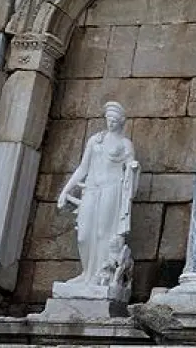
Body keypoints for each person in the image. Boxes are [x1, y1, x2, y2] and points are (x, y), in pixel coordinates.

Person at [57, 101, 139, 287]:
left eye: (114, 120)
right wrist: (66, 190)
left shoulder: (125, 144)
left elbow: (131, 170)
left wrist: (133, 169)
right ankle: (87, 273)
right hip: (92, 189)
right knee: (84, 234)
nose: (110, 123)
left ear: (121, 121)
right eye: (108, 119)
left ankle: (101, 274)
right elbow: (83, 168)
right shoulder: (96, 140)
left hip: (112, 189)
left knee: (104, 232)